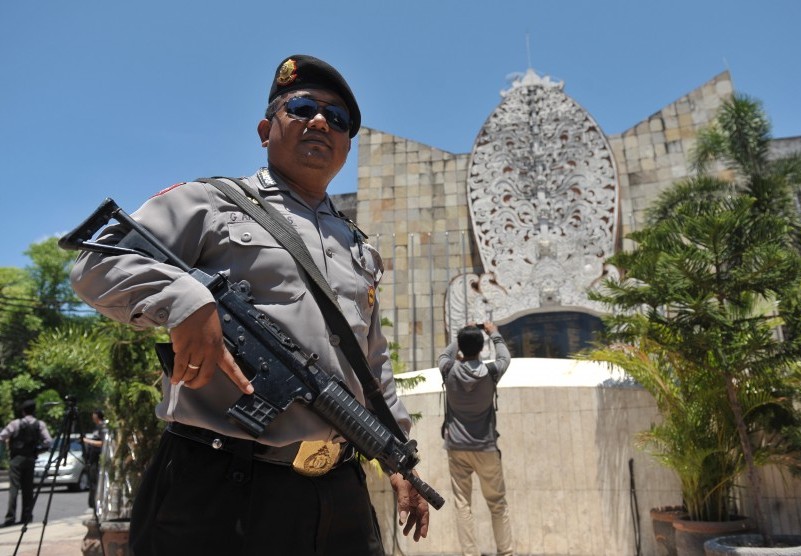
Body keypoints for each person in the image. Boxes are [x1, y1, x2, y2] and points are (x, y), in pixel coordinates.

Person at [69, 54, 429, 555]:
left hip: (339, 489)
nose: (321, 121)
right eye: (302, 108)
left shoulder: (358, 248)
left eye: (339, 118)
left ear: (348, 144)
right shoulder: (211, 203)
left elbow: (372, 365)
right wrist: (183, 299)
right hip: (222, 484)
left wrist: (400, 460)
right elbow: (94, 266)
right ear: (266, 129)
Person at [439, 321, 513, 556]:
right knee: (497, 504)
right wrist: (493, 333)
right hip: (486, 447)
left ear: (461, 347)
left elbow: (444, 354)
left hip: (457, 447)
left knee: (463, 503)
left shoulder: (448, 369)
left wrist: (460, 336)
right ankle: (506, 552)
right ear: (482, 348)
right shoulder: (491, 372)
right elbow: (505, 356)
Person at [0, 399, 52, 526]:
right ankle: (27, 516)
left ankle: (10, 517)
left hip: (17, 458)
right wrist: (37, 450)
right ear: (34, 411)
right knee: (28, 489)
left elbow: (2, 436)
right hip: (30, 458)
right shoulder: (39, 424)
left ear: (23, 411)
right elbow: (48, 441)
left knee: (14, 489)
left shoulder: (15, 423)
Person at [82, 408, 106, 509]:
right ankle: (93, 503)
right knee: (92, 482)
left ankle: (96, 503)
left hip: (98, 459)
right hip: (93, 459)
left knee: (95, 482)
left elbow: (103, 443)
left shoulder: (102, 427)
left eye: (94, 414)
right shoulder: (96, 427)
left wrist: (87, 441)